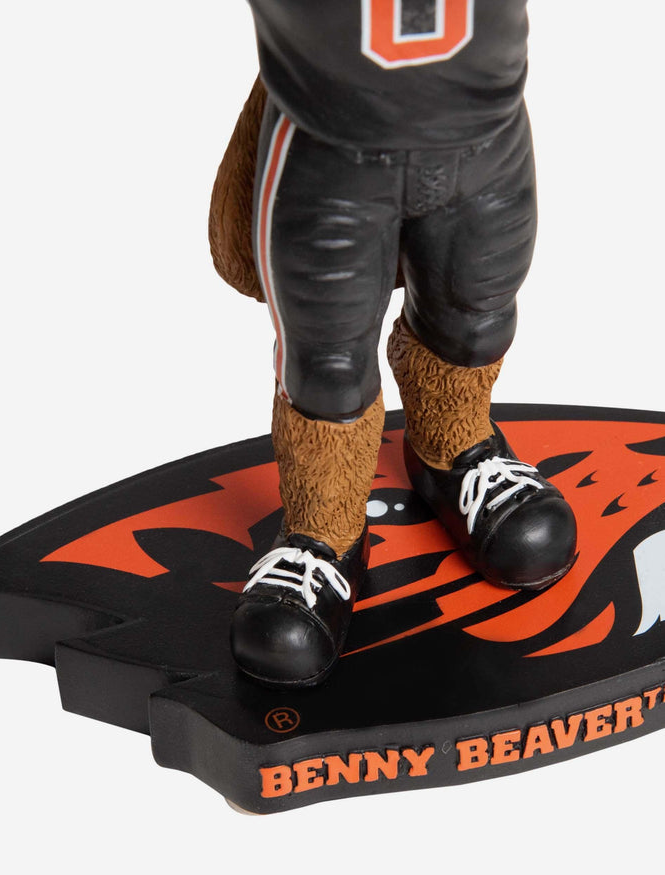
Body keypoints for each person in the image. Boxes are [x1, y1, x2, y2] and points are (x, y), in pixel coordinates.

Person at [210, 0, 577, 688]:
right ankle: (325, 529)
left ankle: (455, 450)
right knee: (327, 361)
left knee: (475, 311)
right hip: (333, 150)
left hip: (482, 137)